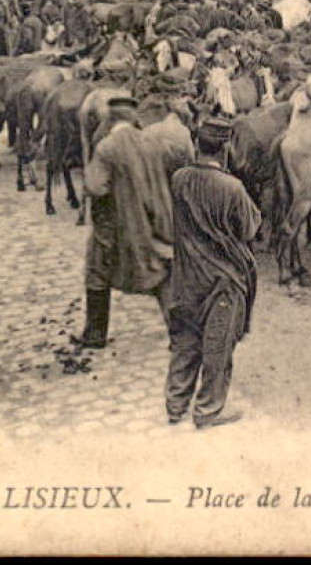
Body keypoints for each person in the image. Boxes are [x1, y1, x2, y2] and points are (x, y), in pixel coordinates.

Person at [166, 117, 261, 429]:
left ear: (197, 145)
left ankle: (175, 404)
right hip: (223, 279)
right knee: (217, 345)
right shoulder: (232, 187)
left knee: (184, 341)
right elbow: (249, 228)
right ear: (225, 149)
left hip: (185, 275)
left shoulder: (179, 178)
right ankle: (208, 410)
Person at [73, 96, 180, 350]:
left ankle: (95, 334)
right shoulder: (153, 141)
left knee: (96, 273)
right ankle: (179, 336)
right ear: (134, 119)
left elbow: (96, 187)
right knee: (161, 274)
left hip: (119, 226)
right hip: (154, 221)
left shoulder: (107, 147)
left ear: (110, 120)